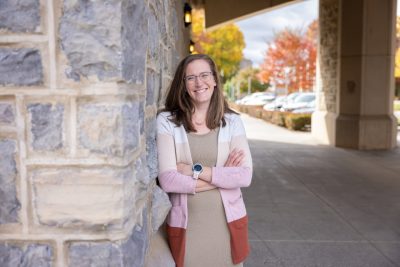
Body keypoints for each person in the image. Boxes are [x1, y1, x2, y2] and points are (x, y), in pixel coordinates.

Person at [156, 54, 252, 267]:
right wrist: (222, 176)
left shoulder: (233, 122)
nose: (199, 82)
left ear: (215, 80)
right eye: (190, 78)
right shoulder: (167, 122)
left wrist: (193, 170)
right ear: (183, 84)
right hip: (187, 228)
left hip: (228, 225)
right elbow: (168, 180)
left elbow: (244, 176)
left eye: (204, 75)